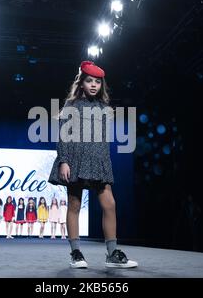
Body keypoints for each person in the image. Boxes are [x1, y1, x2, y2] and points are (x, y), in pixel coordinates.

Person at [48, 60, 138, 268]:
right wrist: (64, 161)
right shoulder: (71, 106)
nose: (94, 85)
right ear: (81, 83)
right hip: (76, 160)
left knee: (110, 205)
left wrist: (106, 163)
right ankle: (76, 253)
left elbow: (104, 140)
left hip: (98, 161)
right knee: (75, 205)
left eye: (98, 81)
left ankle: (112, 253)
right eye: (89, 80)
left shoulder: (104, 108)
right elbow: (63, 137)